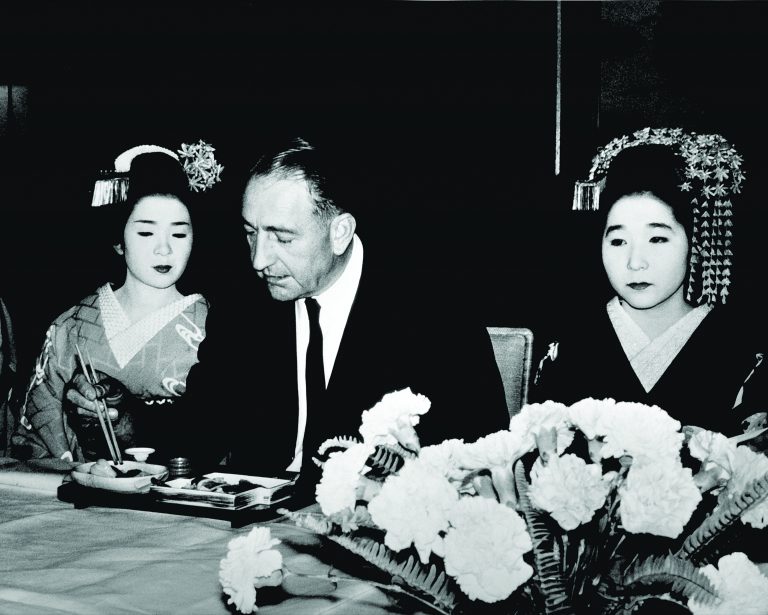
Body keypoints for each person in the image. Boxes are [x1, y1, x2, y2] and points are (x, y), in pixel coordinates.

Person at [65, 137, 509, 489]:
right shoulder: (246, 304)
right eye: (250, 233)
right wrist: (123, 419)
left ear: (340, 232)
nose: (259, 259)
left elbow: (480, 454)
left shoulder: (431, 310)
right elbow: (201, 427)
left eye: (281, 237)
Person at [533, 128, 766, 437]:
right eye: (617, 241)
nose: (635, 262)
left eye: (657, 238)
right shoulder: (570, 345)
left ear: (696, 247)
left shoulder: (740, 352)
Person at [11, 142, 221, 461]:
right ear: (118, 240)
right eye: (146, 234)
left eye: (179, 234)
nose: (164, 249)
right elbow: (35, 432)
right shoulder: (71, 326)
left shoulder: (217, 327)